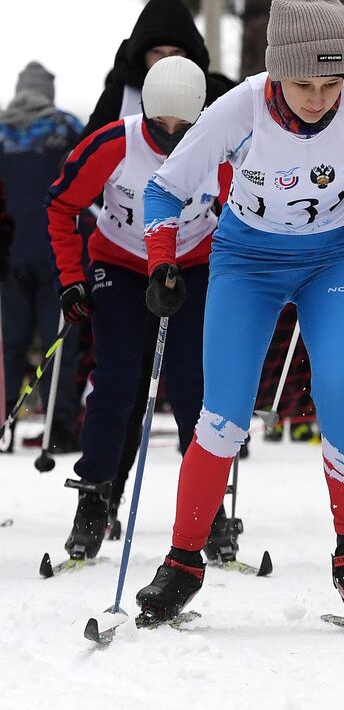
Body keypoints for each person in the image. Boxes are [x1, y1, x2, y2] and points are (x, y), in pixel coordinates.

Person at [133, 0, 344, 624]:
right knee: (221, 415)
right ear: (277, 71)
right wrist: (162, 262)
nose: (319, 101)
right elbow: (163, 193)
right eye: (304, 86)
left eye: (331, 86)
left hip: (339, 256)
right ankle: (184, 561)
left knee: (336, 384)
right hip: (248, 261)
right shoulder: (238, 109)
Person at [46, 57, 225, 562]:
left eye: (182, 128)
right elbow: (61, 206)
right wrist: (71, 279)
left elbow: (243, 215)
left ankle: (207, 509)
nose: (169, 137)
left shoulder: (221, 148)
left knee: (195, 384)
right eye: (159, 125)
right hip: (120, 264)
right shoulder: (113, 144)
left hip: (193, 264)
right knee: (117, 380)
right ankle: (95, 497)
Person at [0, 63, 85, 453]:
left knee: (7, 344)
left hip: (8, 252)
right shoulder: (65, 128)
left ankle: (3, 426)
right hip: (57, 249)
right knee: (59, 343)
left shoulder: (1, 131)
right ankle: (57, 426)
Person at [82, 0, 234, 139]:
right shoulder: (119, 96)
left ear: (190, 55)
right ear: (142, 55)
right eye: (157, 52)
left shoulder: (214, 95)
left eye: (176, 52)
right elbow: (82, 155)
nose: (166, 59)